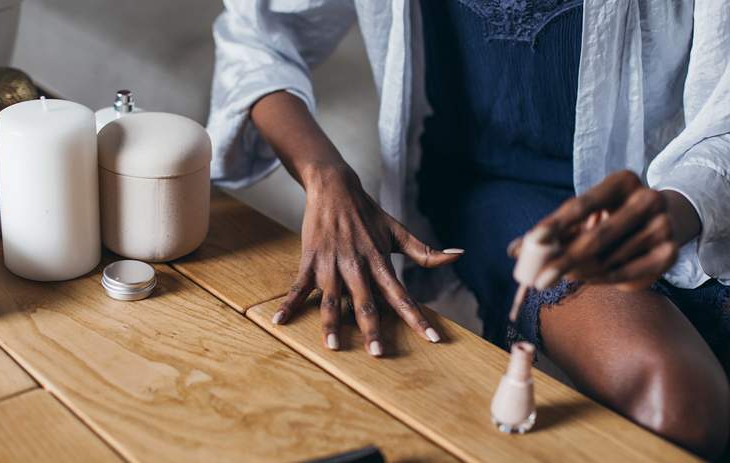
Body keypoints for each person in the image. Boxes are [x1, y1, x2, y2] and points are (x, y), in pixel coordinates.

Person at [207, 0, 730, 458]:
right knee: (678, 404)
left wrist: (681, 205)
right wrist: (324, 175)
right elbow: (257, 34)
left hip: (682, 176)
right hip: (498, 187)